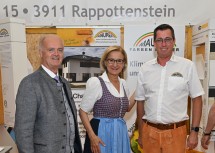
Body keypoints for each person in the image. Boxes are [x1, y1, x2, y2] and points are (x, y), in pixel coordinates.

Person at [135, 24, 204, 153]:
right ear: (154, 43)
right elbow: (140, 101)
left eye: (167, 39)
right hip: (149, 133)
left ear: (174, 41)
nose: (163, 44)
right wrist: (140, 132)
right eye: (159, 40)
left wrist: (194, 131)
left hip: (176, 133)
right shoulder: (145, 69)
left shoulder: (187, 66)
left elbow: (197, 98)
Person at [14, 34, 82, 153]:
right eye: (51, 50)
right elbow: (23, 131)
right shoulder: (30, 83)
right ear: (40, 53)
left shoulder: (65, 83)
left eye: (59, 50)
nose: (56, 54)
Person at [79, 46, 136, 153]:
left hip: (119, 133)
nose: (115, 65)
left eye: (119, 61)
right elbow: (83, 112)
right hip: (101, 132)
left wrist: (139, 89)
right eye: (111, 60)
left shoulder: (123, 83)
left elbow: (126, 108)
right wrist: (92, 137)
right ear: (105, 62)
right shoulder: (96, 82)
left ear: (124, 64)